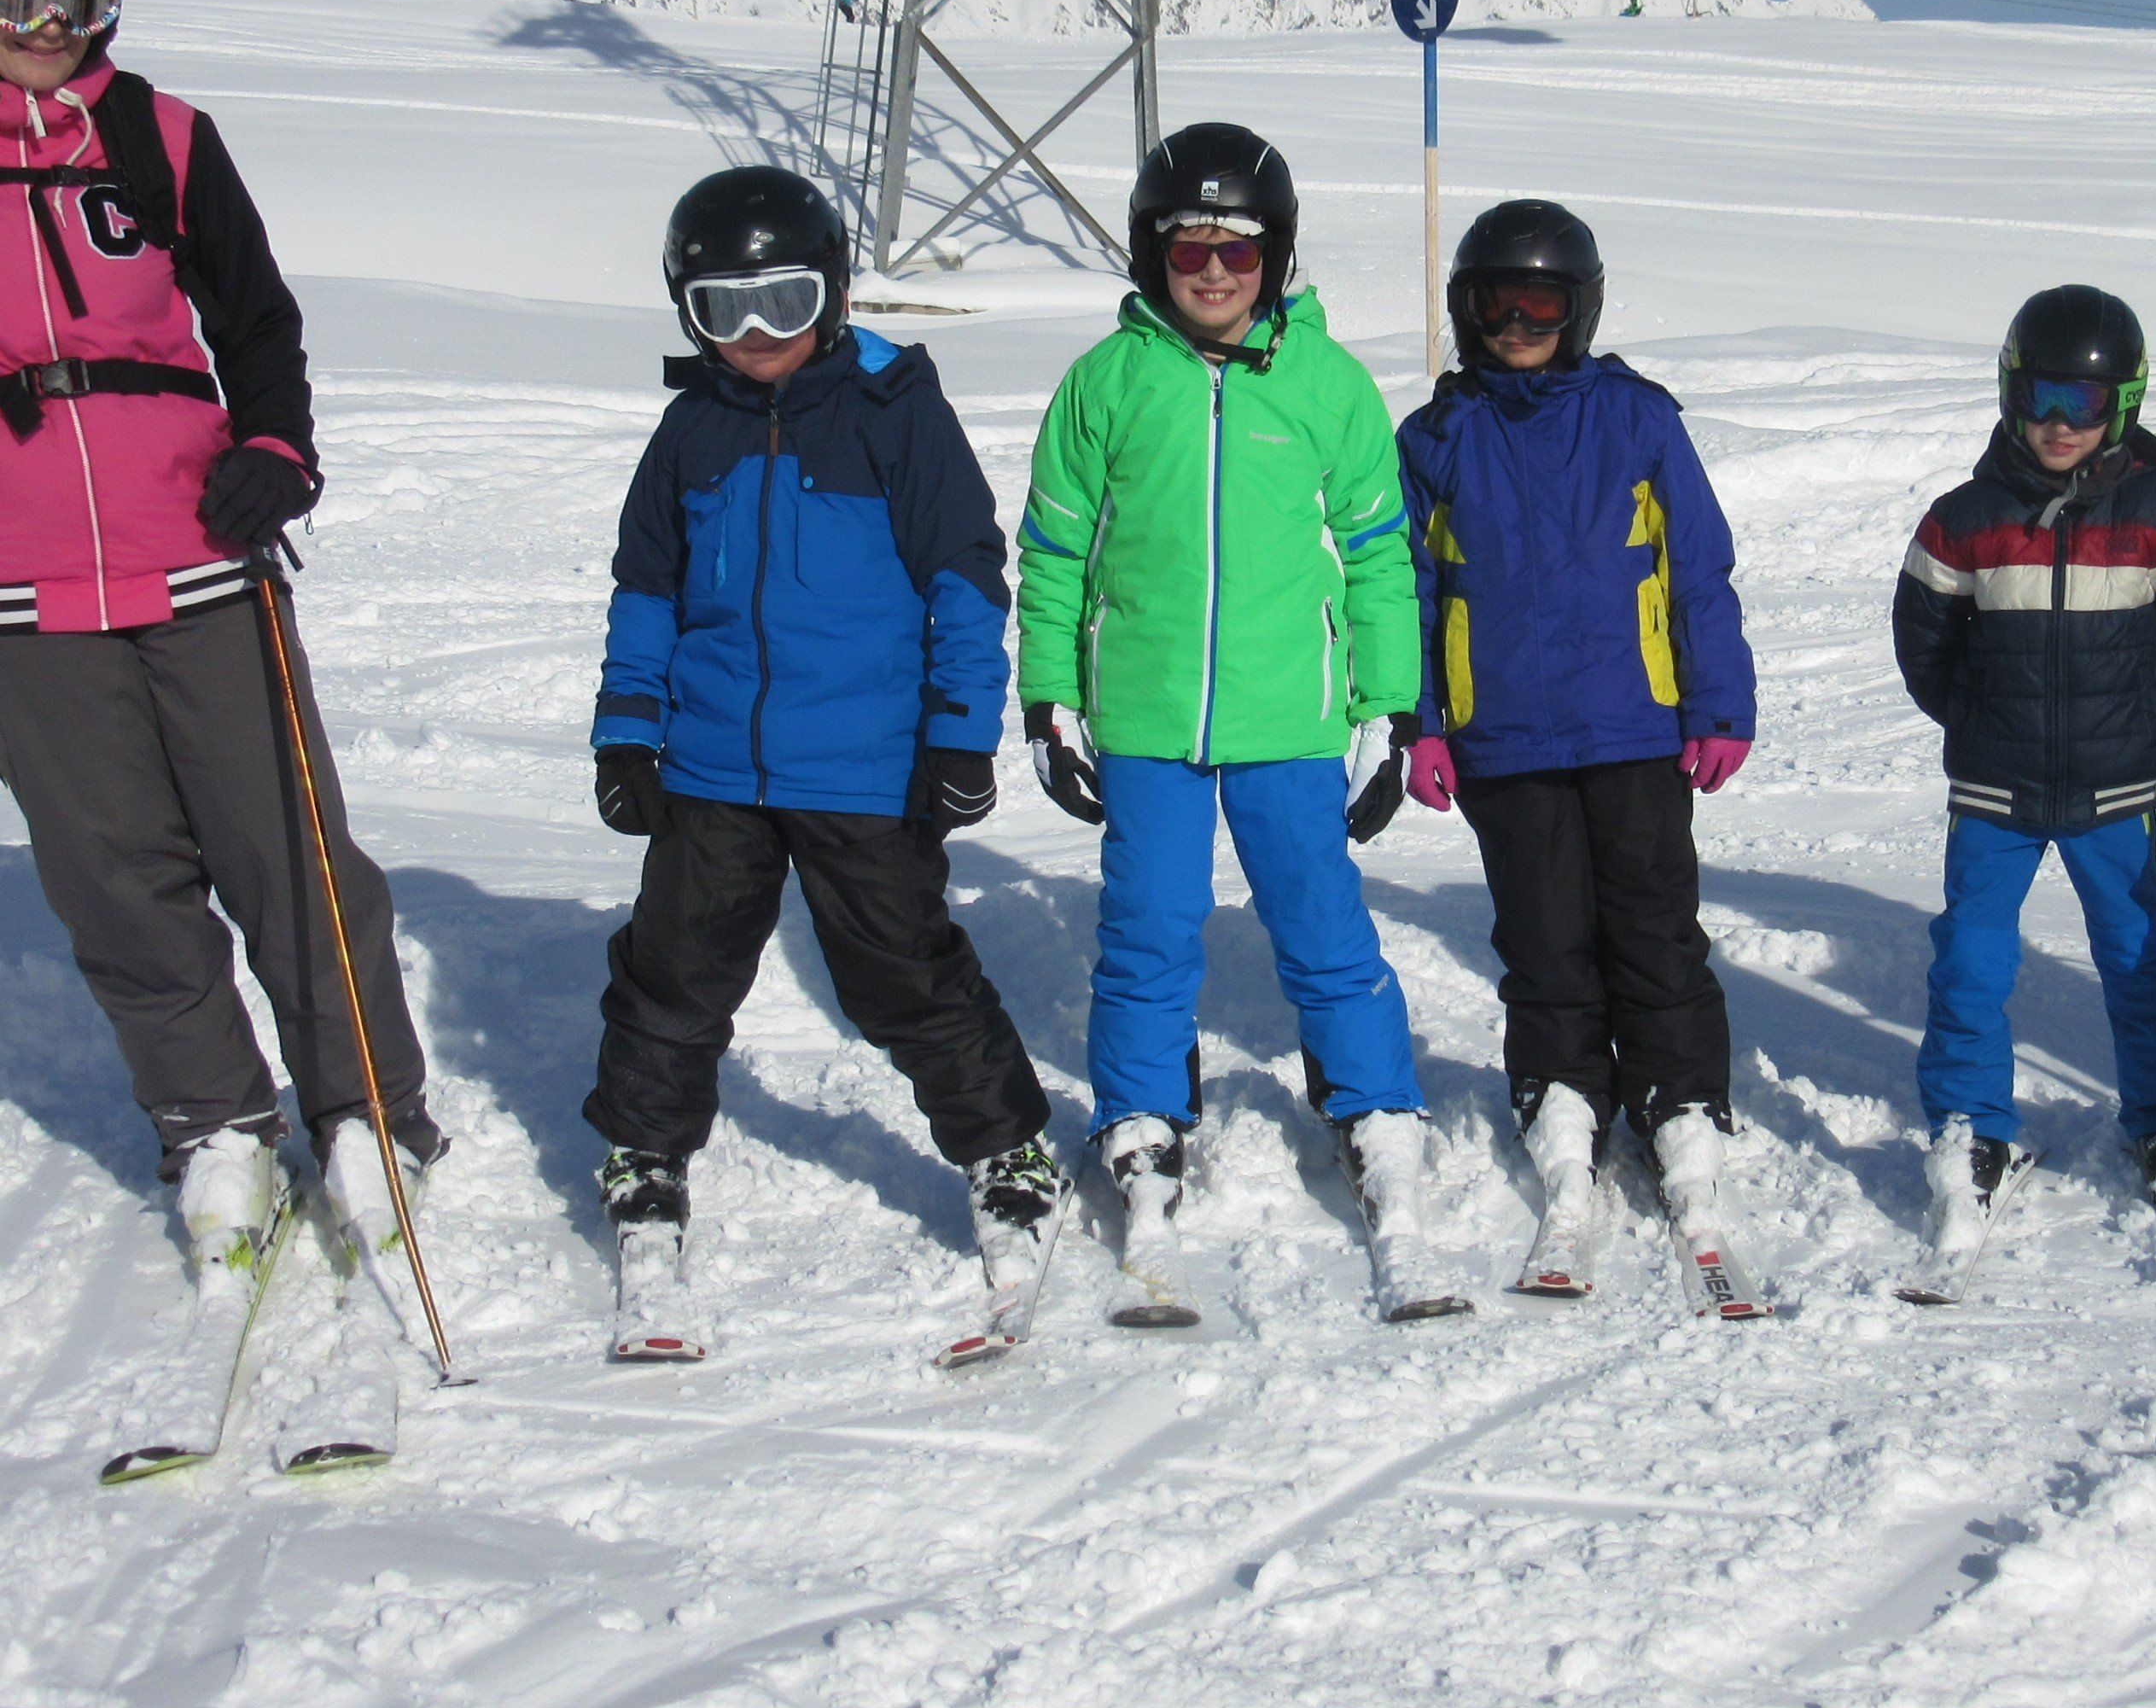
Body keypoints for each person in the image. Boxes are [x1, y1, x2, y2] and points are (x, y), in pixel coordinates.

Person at [0, 0, 440, 1281]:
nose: (46, 22)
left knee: (287, 845)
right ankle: (214, 1123)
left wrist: (276, 453)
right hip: (24, 590)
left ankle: (368, 1108)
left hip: (196, 551)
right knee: (112, 874)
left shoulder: (161, 137)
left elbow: (257, 323)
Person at [585, 165, 1055, 1358]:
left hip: (861, 766)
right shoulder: (691, 428)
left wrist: (960, 731)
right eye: (722, 311)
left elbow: (963, 574)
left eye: (783, 304)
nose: (754, 338)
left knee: (905, 973)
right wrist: (628, 726)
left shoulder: (895, 410)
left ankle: (1005, 1155)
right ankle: (646, 1162)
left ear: (835, 295)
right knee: (674, 973)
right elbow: (647, 589)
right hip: (710, 767)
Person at [1014, 122, 1460, 1325]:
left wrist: (1390, 708)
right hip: (1147, 717)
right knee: (1149, 929)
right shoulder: (1107, 385)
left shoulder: (1327, 386)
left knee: (1323, 928)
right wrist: (1049, 697)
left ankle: (1376, 1118)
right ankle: (1143, 1129)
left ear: (1279, 256)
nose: (1214, 272)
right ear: (1152, 250)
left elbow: (1379, 559)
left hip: (1292, 721)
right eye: (1188, 246)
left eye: (1240, 250)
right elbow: (1055, 551)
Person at [1396, 201, 1756, 1299]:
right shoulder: (1434, 438)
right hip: (1502, 740)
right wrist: (1419, 720)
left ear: (1579, 310)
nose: (1516, 322)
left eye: (1539, 303)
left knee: (1652, 927)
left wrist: (1716, 701)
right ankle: (1561, 1107)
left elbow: (1696, 566)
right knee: (1545, 940)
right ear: (1465, 311)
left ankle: (1679, 1109)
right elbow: (1404, 588)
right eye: (1495, 303)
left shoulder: (1637, 420)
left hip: (1633, 725)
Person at [1892, 286, 2156, 1287]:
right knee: (1973, 962)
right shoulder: (1965, 518)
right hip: (1993, 789)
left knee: (2136, 956)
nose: (2059, 425)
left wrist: (2127, 720)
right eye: (2040, 399)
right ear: (2008, 392)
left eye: (2084, 405)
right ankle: (1970, 1125)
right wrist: (1982, 721)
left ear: (2121, 406)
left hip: (2114, 788)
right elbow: (1923, 646)